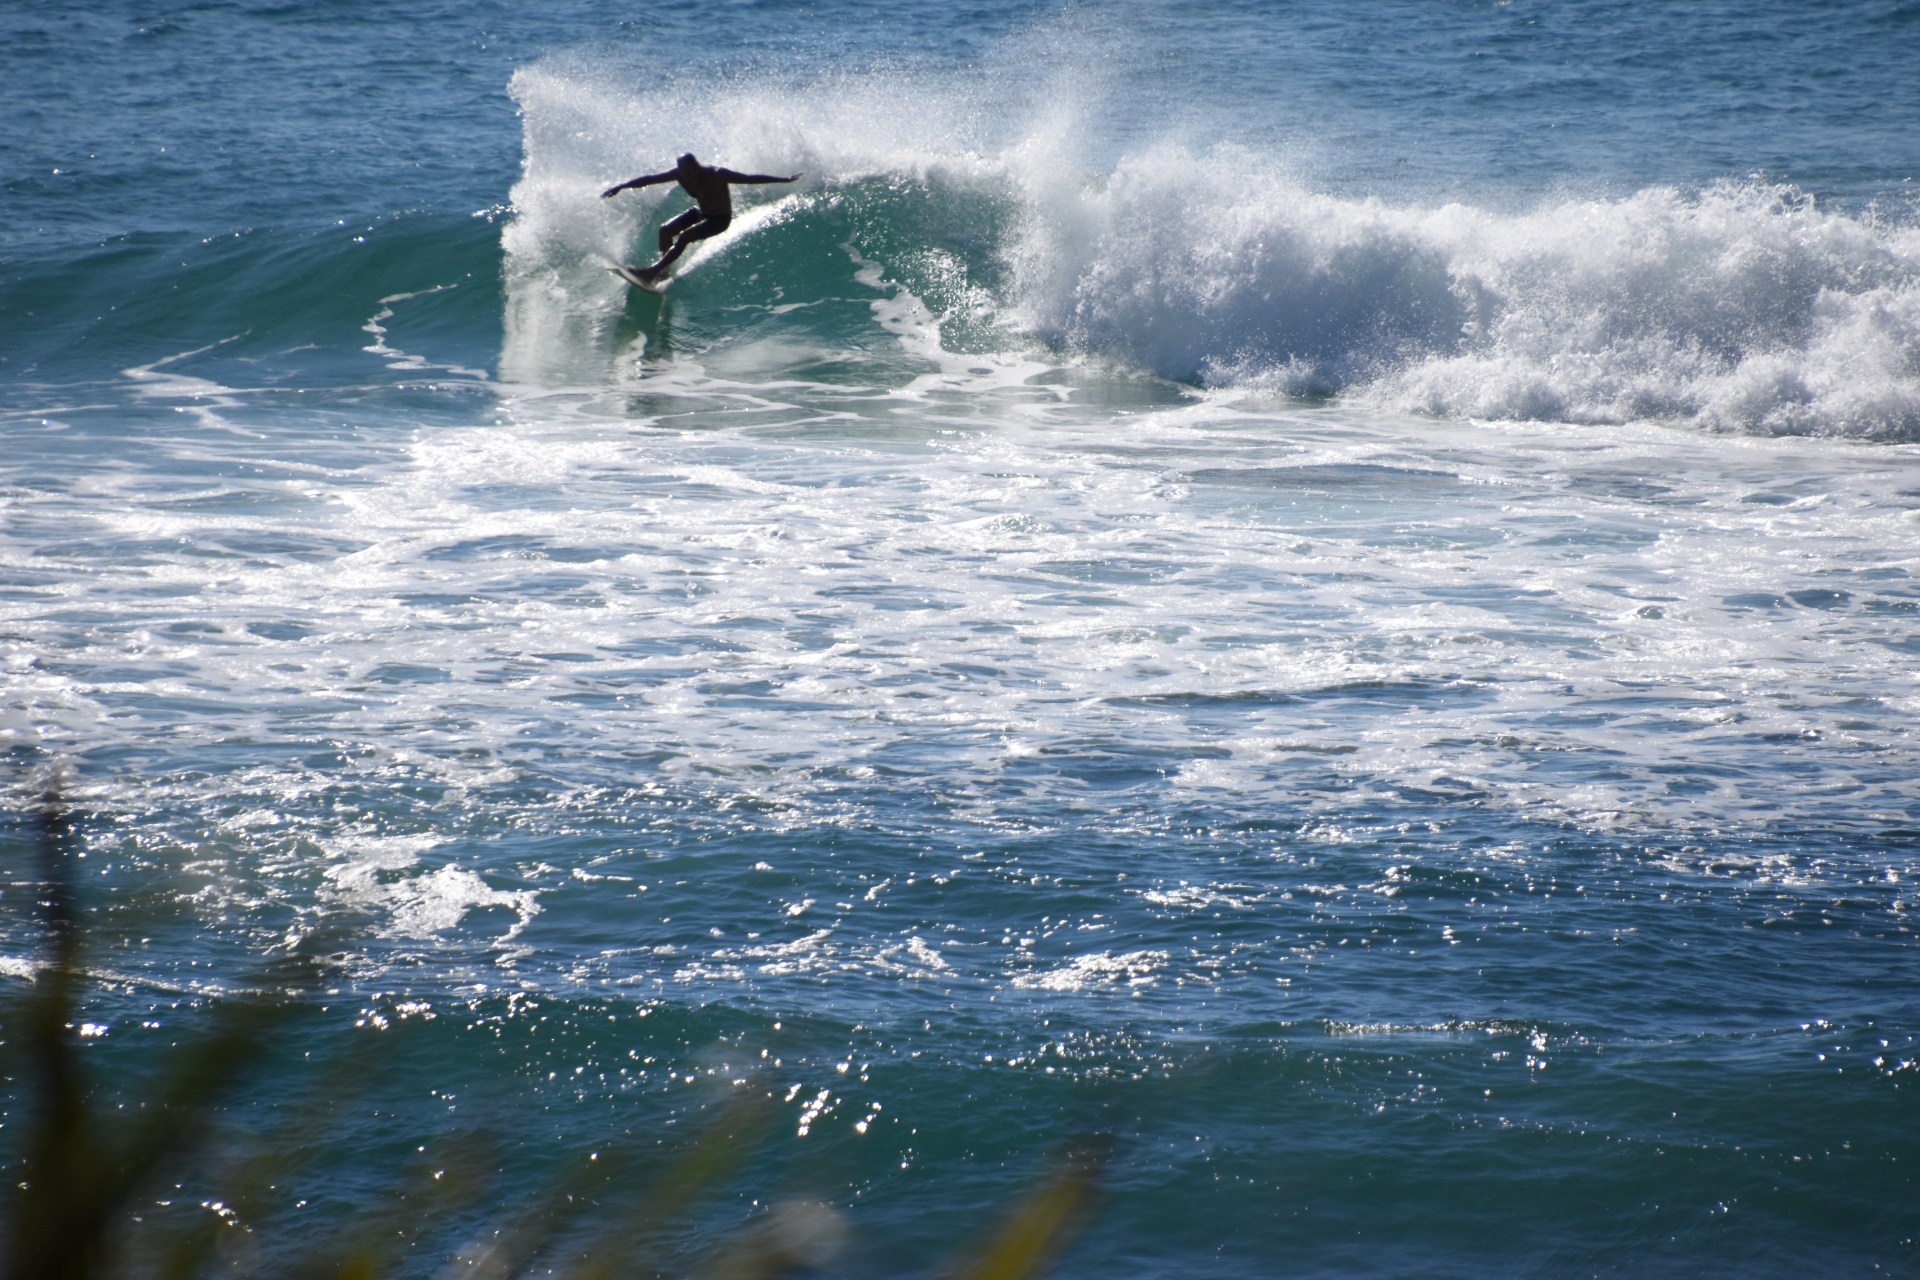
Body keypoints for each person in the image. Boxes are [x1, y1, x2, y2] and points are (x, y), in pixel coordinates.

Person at [601, 153, 801, 283]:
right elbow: (650, 180)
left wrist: (783, 180)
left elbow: (750, 179)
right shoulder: (679, 175)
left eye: (692, 173)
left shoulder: (718, 175)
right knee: (665, 230)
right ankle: (662, 272)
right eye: (685, 174)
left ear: (698, 166)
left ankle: (652, 271)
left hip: (720, 219)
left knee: (685, 237)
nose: (689, 178)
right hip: (702, 211)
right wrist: (622, 186)